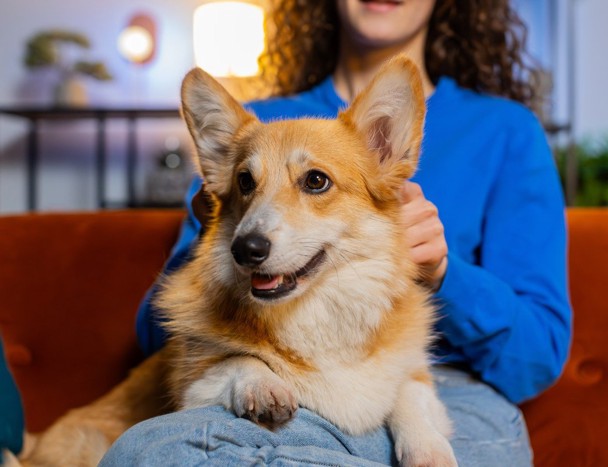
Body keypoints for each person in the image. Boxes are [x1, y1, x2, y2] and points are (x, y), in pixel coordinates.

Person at [102, 0, 572, 465]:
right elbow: (158, 337)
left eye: (314, 181)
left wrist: (444, 272)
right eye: (249, 183)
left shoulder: (506, 131)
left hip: (438, 389)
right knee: (150, 451)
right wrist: (218, 218)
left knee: (155, 453)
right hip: (274, 377)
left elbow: (537, 357)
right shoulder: (255, 125)